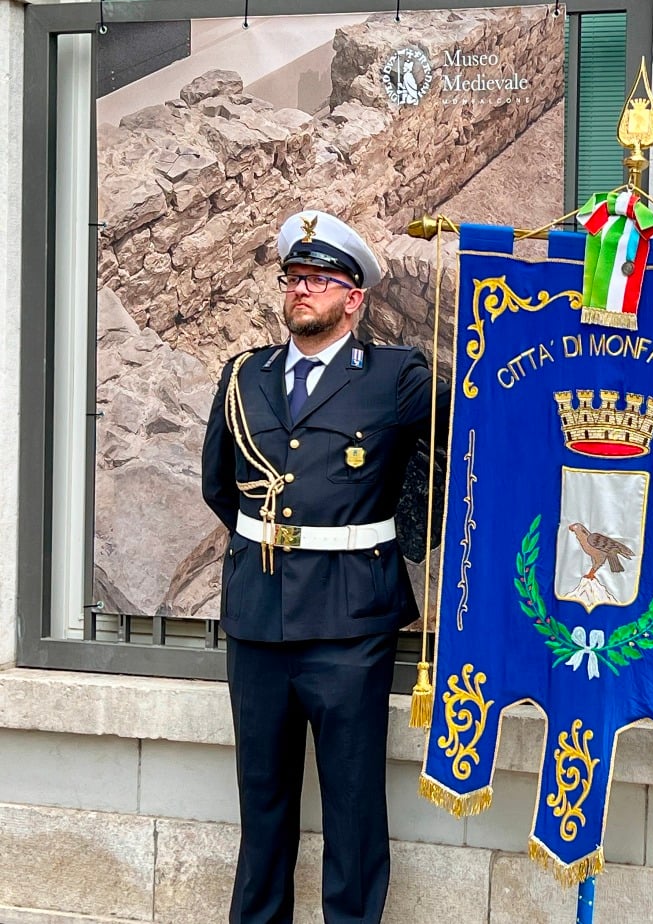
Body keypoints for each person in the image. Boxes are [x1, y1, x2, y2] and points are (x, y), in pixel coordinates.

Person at [202, 209, 449, 924]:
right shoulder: (243, 376)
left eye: (319, 279)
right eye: (294, 278)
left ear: (355, 297)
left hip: (349, 625)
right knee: (263, 809)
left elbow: (467, 441)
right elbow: (220, 487)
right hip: (258, 619)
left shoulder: (398, 376)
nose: (302, 289)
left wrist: (407, 530)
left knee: (352, 814)